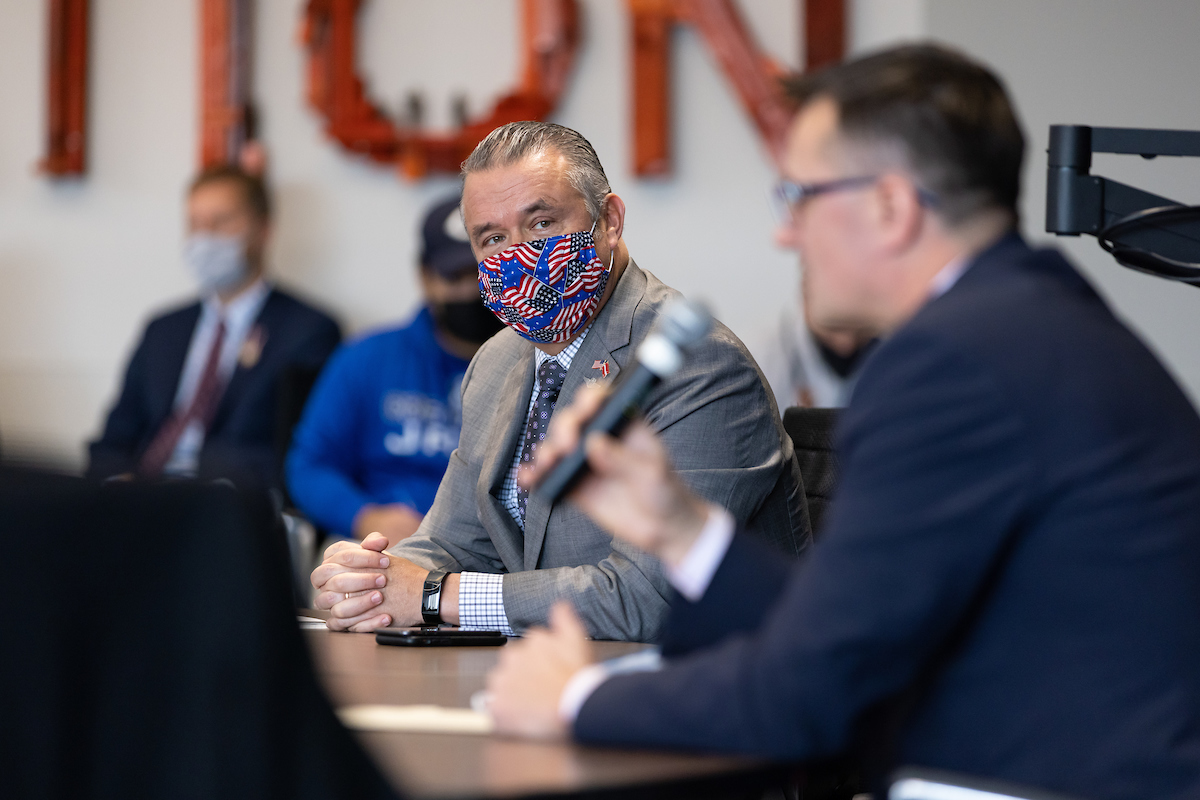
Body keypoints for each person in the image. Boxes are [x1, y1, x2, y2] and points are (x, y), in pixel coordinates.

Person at [483, 46, 1200, 799]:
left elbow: (812, 694)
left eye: (799, 196)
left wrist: (576, 699)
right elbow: (846, 633)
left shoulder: (956, 364)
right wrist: (681, 528)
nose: (785, 235)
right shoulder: (1019, 325)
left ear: (889, 207)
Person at [309, 122, 809, 641]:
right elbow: (452, 543)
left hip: (714, 689)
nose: (517, 256)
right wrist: (370, 582)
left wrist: (436, 596)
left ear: (609, 220)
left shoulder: (698, 364)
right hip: (550, 678)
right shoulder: (498, 360)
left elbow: (650, 597)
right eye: (493, 238)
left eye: (542, 223)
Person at [87, 166, 341, 489]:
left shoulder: (308, 331)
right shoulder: (163, 329)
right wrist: (116, 485)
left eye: (220, 222)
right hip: (140, 503)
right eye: (195, 224)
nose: (204, 238)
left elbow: (292, 456)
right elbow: (114, 439)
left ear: (263, 230)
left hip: (225, 506)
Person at [285, 196, 503, 542]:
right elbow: (309, 465)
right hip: (383, 544)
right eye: (454, 276)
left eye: (482, 272)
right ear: (425, 277)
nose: (470, 290)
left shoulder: (541, 364)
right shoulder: (366, 359)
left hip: (496, 555)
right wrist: (363, 516)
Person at [755, 290, 876, 409]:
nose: (846, 344)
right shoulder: (758, 359)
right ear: (805, 292)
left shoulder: (888, 345)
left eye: (860, 328)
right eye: (834, 326)